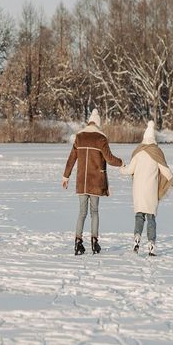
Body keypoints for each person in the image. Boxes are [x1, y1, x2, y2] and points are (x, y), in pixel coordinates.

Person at [62, 108, 123, 255]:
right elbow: (109, 158)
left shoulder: (80, 137)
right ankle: (95, 242)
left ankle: (78, 242)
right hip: (96, 181)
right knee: (94, 211)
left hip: (82, 181)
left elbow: (72, 158)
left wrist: (66, 176)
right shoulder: (100, 138)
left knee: (82, 212)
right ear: (98, 123)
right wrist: (121, 162)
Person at [119, 121, 173, 256]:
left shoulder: (138, 153)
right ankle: (151, 243)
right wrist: (172, 181)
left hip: (138, 191)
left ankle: (137, 238)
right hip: (151, 191)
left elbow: (129, 170)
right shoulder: (156, 153)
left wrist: (121, 168)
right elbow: (165, 169)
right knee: (151, 217)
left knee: (139, 216)